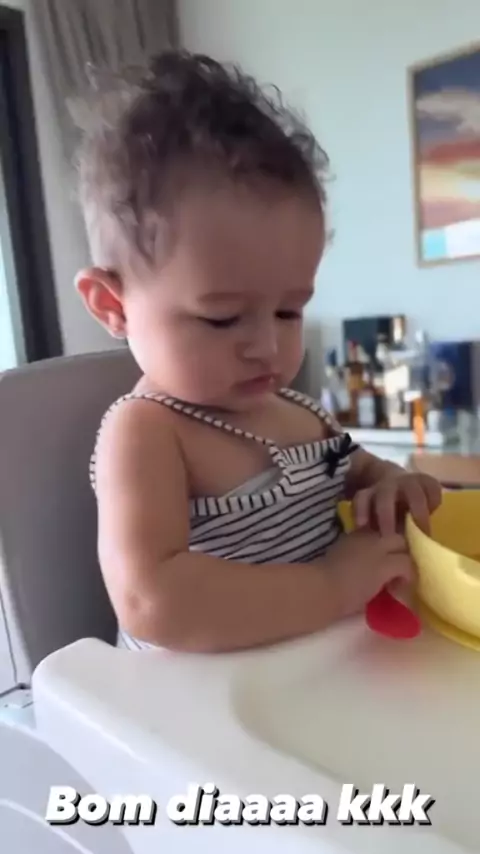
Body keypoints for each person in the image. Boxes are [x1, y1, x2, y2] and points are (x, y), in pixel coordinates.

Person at [74, 50, 441, 653]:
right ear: (112, 306)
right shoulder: (147, 433)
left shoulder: (296, 411)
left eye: (290, 311)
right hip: (193, 700)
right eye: (221, 318)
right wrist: (330, 587)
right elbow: (151, 601)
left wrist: (393, 484)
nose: (268, 346)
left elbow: (360, 471)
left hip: (308, 671)